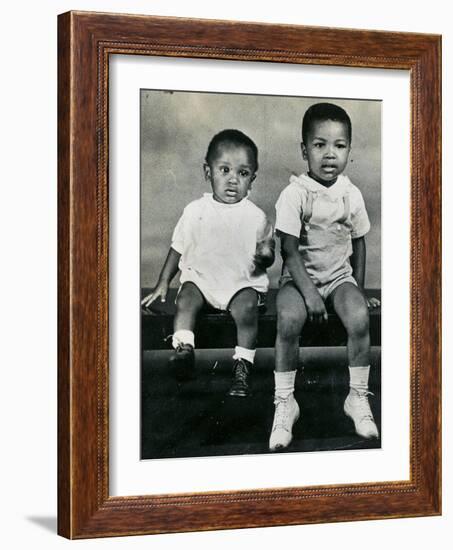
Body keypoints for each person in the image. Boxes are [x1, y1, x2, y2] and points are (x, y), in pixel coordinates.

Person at [269, 102, 380, 451]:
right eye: (320, 145)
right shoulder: (295, 193)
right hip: (298, 281)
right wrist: (310, 294)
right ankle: (285, 402)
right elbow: (288, 250)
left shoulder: (351, 194)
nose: (330, 155)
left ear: (349, 149)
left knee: (359, 316)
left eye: (339, 145)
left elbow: (359, 241)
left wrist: (357, 290)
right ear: (305, 150)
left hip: (337, 278)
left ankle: (357, 396)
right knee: (288, 318)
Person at [142, 129, 275, 397]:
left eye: (243, 173)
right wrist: (162, 284)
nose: (232, 180)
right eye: (224, 170)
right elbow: (177, 248)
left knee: (248, 306)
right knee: (187, 297)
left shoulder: (256, 216)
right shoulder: (195, 211)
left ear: (253, 180)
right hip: (204, 283)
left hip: (239, 285)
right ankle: (184, 349)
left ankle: (242, 367)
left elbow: (267, 255)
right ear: (208, 171)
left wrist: (266, 255)